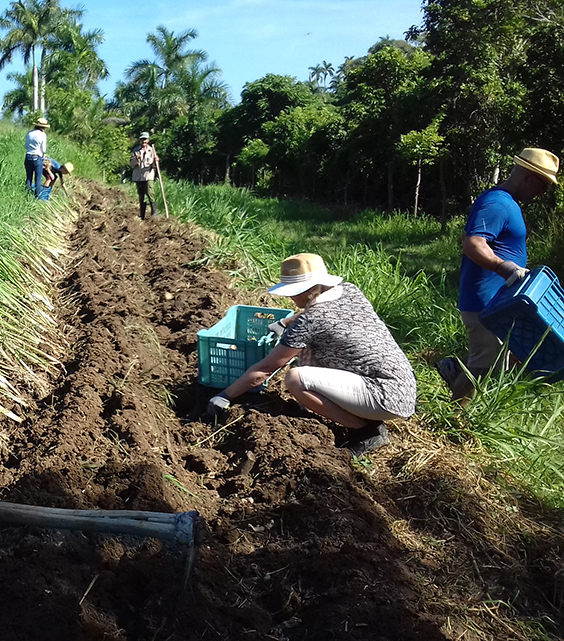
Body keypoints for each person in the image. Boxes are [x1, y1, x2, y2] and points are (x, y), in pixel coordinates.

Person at [207, 253, 417, 458]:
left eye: (293, 291)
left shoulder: (310, 322)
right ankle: (364, 416)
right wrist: (284, 323)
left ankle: (366, 431)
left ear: (310, 289)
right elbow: (315, 313)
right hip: (402, 384)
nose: (289, 297)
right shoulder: (349, 291)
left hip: (384, 395)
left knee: (296, 379)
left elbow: (265, 370)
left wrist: (225, 395)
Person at [437, 148, 559, 400]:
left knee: (507, 357)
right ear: (527, 176)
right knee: (483, 367)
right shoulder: (497, 203)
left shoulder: (507, 203)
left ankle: (454, 368)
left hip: (498, 302)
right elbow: (472, 243)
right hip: (484, 302)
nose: (543, 192)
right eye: (543, 184)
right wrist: (504, 267)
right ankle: (452, 424)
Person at [130, 132, 159, 219]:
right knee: (141, 195)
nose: (144, 141)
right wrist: (136, 158)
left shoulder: (151, 150)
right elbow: (131, 164)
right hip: (139, 176)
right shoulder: (136, 150)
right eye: (142, 139)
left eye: (145, 140)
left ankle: (154, 213)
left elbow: (154, 166)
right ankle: (142, 215)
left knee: (150, 193)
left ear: (148, 140)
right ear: (140, 140)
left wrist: (156, 160)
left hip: (148, 175)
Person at [24, 118, 50, 196]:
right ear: (43, 127)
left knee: (29, 178)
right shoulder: (43, 135)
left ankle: (27, 195)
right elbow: (43, 149)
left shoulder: (29, 133)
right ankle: (37, 196)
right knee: (37, 179)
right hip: (37, 157)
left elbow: (26, 146)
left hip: (28, 156)